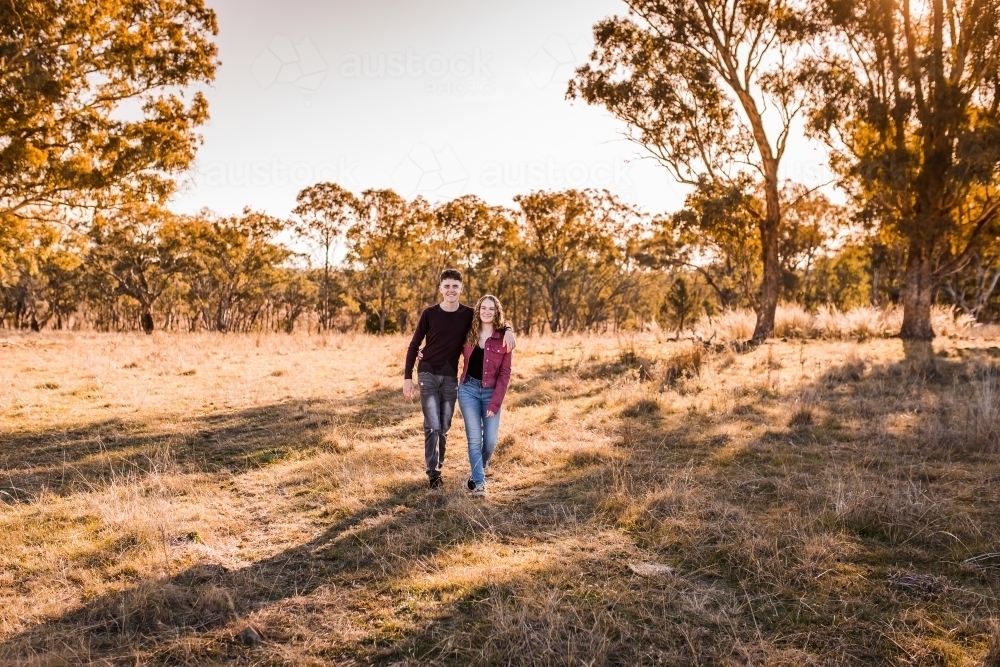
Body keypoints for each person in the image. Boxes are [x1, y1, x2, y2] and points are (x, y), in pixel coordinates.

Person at [403, 269, 515, 489]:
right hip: (427, 372)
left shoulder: (468, 314)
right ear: (441, 289)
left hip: (451, 376)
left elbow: (492, 316)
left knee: (444, 425)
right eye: (447, 286)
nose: (451, 290)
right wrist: (408, 377)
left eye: (455, 286)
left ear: (461, 288)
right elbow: (414, 345)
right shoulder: (429, 313)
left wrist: (509, 329)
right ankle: (433, 473)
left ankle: (441, 464)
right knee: (433, 424)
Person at [457, 294, 512, 498]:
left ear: (496, 312)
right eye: (483, 308)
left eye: (491, 309)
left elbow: (505, 374)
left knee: (489, 441)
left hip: (491, 392)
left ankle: (474, 475)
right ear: (478, 311)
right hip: (468, 390)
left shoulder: (504, 337)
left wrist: (495, 402)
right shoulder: (468, 333)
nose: (487, 312)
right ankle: (479, 484)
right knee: (474, 439)